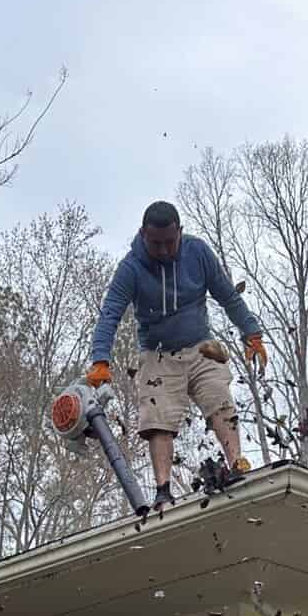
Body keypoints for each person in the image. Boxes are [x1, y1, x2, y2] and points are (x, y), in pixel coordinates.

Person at [87, 201, 267, 509]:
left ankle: (236, 463)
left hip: (200, 347)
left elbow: (226, 293)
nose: (165, 249)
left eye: (171, 241)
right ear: (143, 235)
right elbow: (110, 315)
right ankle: (163, 489)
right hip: (157, 354)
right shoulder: (131, 268)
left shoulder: (197, 253)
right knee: (158, 417)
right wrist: (100, 361)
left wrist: (251, 333)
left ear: (180, 233)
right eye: (156, 243)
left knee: (218, 397)